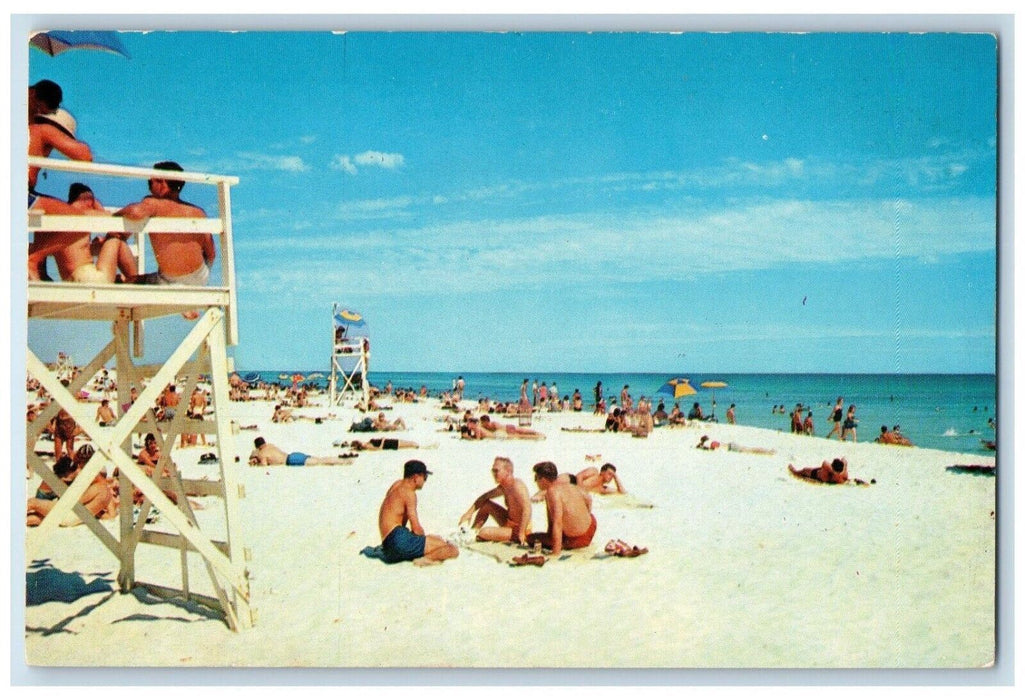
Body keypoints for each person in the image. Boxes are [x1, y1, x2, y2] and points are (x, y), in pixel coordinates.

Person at [117, 161, 216, 287]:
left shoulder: (154, 204)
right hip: (200, 277)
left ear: (162, 183)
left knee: (130, 281)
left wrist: (114, 215)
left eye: (150, 182)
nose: (149, 187)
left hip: (170, 281)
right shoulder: (198, 212)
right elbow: (211, 254)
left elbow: (136, 213)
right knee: (146, 278)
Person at [378, 460, 459, 565]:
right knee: (451, 549)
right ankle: (427, 559)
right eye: (424, 477)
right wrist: (426, 540)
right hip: (398, 542)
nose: (425, 480)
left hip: (387, 543)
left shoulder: (396, 485)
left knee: (434, 539)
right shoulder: (409, 494)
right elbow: (416, 528)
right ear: (416, 477)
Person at [526, 461, 597, 557]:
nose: (536, 482)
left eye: (536, 478)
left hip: (578, 539)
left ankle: (559, 544)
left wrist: (555, 553)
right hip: (591, 527)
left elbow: (557, 523)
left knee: (531, 538)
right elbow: (588, 498)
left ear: (542, 479)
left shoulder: (552, 492)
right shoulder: (569, 485)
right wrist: (584, 515)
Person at [458, 457, 532, 544]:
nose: (493, 474)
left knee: (484, 532)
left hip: (520, 529)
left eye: (496, 471)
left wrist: (521, 533)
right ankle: (472, 532)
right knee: (486, 505)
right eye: (493, 471)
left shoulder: (517, 485)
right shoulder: (504, 487)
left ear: (508, 471)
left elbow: (527, 509)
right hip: (509, 522)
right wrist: (469, 513)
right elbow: (484, 497)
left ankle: (475, 535)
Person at [27, 455, 112, 527]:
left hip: (67, 513)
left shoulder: (98, 488)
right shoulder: (106, 493)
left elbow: (72, 502)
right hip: (73, 518)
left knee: (33, 502)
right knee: (40, 518)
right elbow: (111, 515)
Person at [249, 436, 353, 466]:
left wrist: (255, 460)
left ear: (257, 447)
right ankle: (342, 460)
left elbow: (264, 467)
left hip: (292, 461)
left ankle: (344, 462)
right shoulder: (270, 446)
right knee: (321, 460)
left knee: (321, 462)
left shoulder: (262, 454)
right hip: (293, 455)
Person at [349, 437, 421, 451]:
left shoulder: (367, 443)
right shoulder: (368, 446)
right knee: (411, 444)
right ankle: (423, 447)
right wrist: (383, 440)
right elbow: (379, 448)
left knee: (411, 443)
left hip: (389, 441)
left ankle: (422, 446)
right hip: (389, 444)